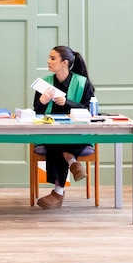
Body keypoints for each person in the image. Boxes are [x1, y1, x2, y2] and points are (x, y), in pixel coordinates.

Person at [32, 45, 96, 210]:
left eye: (52, 58)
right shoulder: (44, 83)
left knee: (57, 142)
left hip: (77, 133)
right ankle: (73, 163)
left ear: (65, 63)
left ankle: (58, 193)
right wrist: (42, 102)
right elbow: (36, 113)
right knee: (55, 138)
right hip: (50, 131)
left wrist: (68, 103)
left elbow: (90, 110)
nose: (48, 61)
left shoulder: (82, 83)